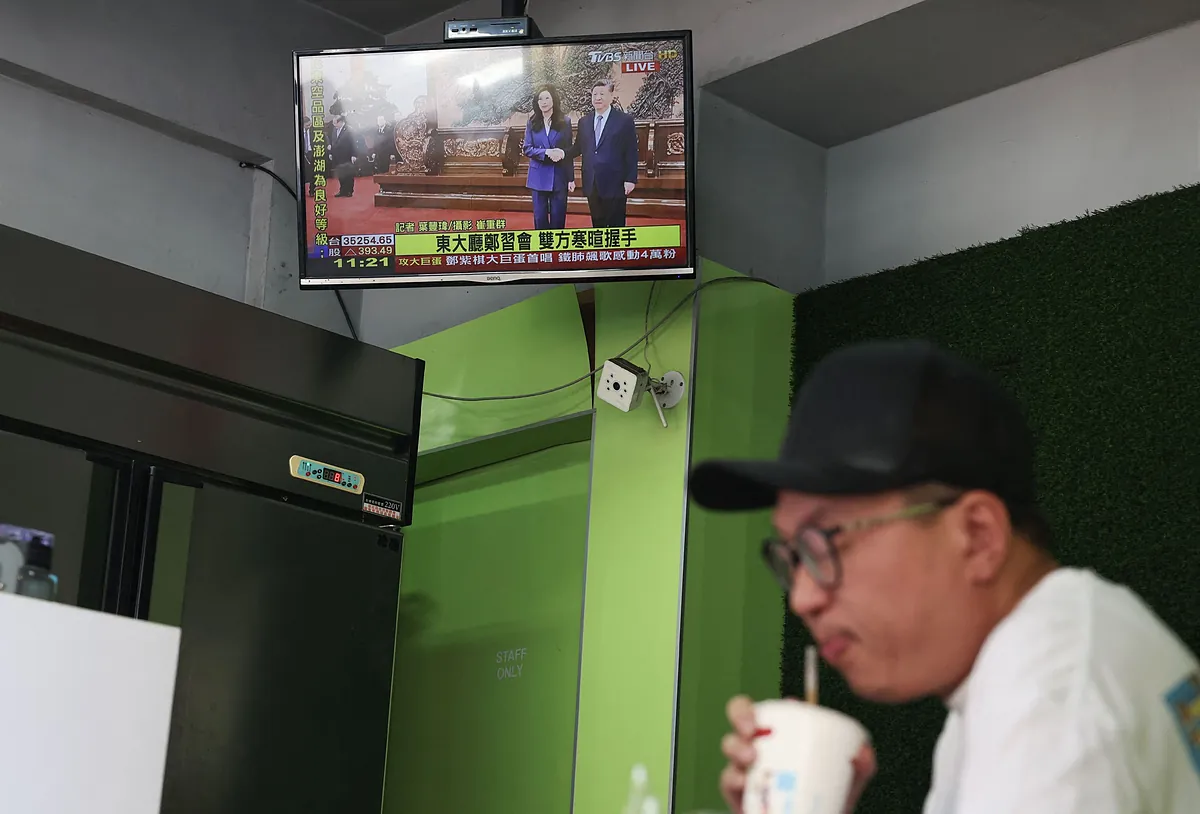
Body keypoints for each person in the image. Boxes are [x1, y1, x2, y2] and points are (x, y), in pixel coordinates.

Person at [689, 339, 1200, 814]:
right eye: (794, 556)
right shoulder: (1042, 658)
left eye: (826, 541)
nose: (802, 598)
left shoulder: (1049, 705)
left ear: (978, 535)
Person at [565, 78, 638, 227]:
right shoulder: (584, 121)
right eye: (595, 94)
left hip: (615, 182)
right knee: (598, 225)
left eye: (602, 94)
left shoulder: (624, 120)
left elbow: (631, 151)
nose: (597, 98)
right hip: (592, 181)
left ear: (611, 96)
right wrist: (561, 153)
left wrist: (630, 179)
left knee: (616, 225)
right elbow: (578, 147)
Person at [522, 84, 576, 231]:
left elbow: (569, 151)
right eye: (540, 99)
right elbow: (527, 148)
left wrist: (571, 178)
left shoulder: (564, 122)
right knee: (540, 219)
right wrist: (546, 152)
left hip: (559, 175)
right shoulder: (532, 122)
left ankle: (557, 245)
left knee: (558, 219)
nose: (544, 102)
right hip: (538, 176)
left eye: (547, 98)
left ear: (553, 100)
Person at [327, 104, 358, 198]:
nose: (334, 125)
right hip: (337, 156)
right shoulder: (334, 130)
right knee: (341, 174)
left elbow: (353, 143)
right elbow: (333, 141)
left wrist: (354, 155)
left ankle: (349, 191)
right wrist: (331, 153)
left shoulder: (349, 130)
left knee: (348, 174)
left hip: (347, 155)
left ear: (341, 122)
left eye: (336, 123)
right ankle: (342, 190)